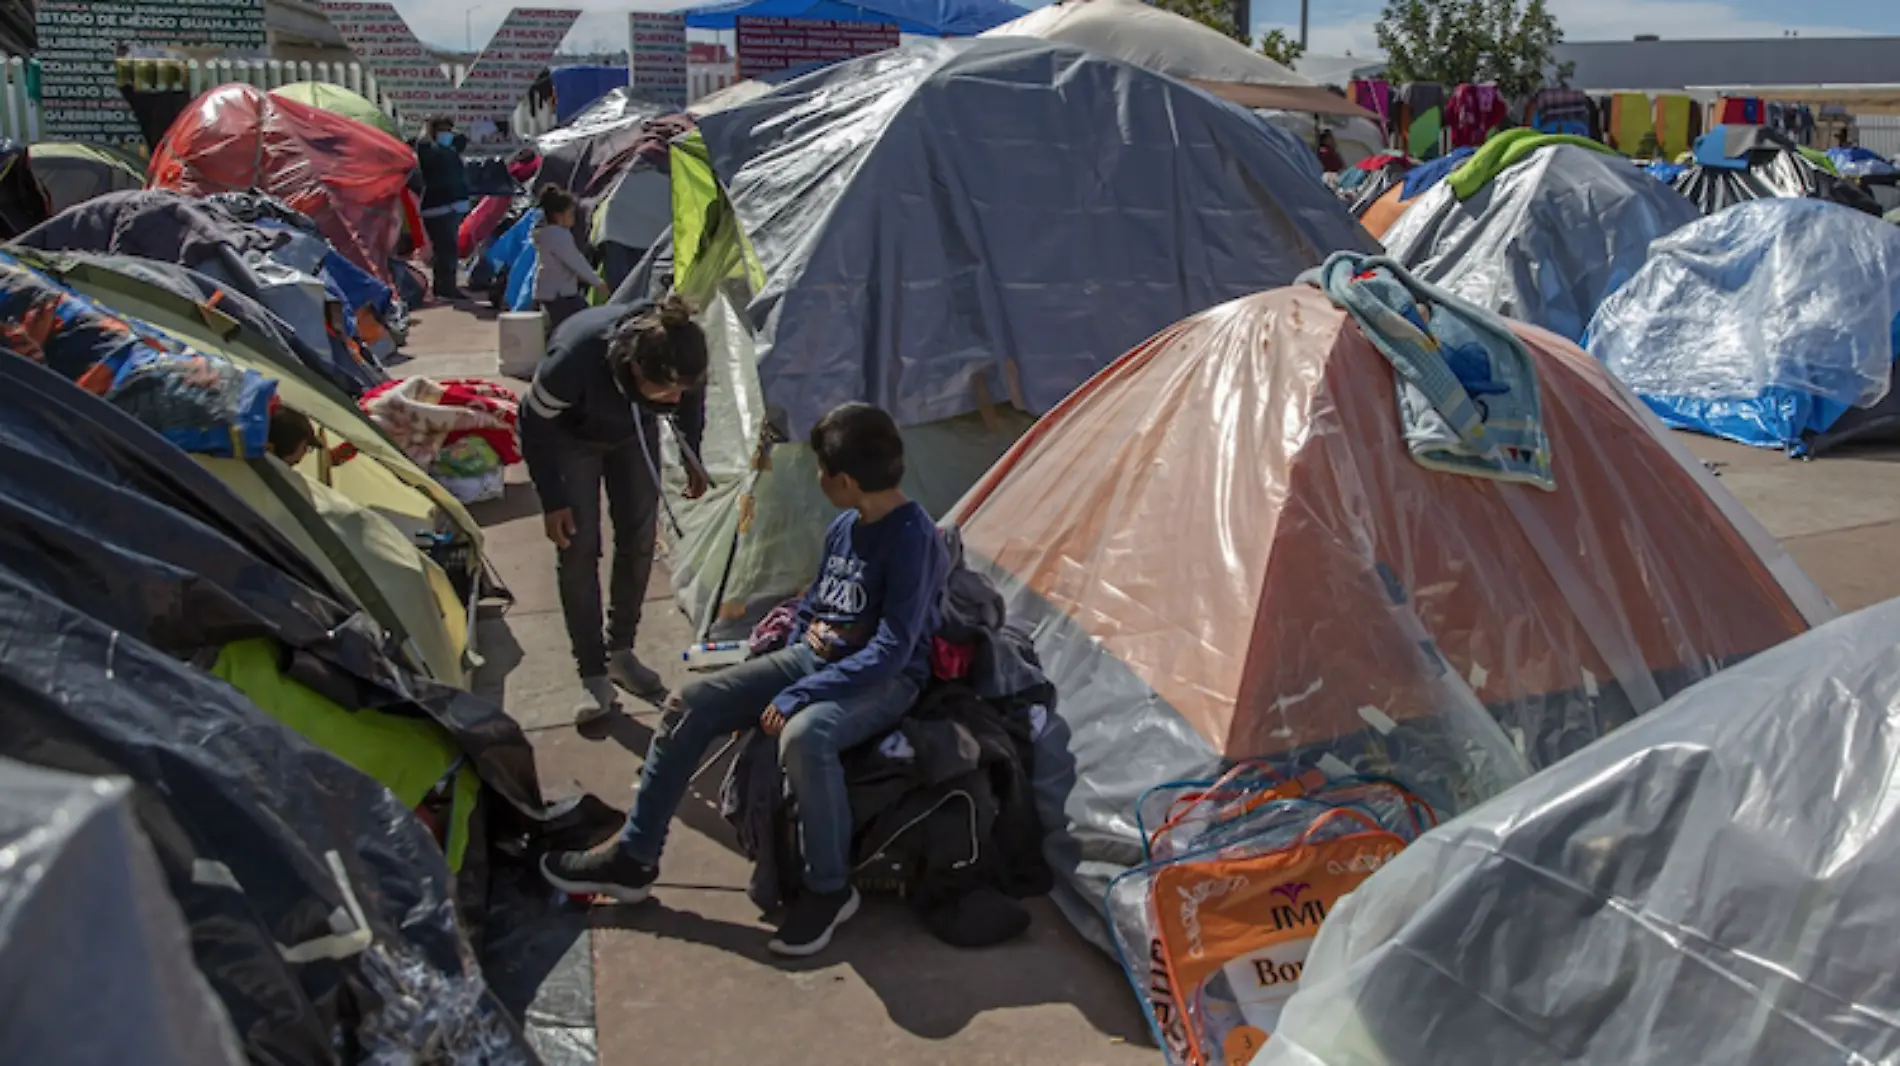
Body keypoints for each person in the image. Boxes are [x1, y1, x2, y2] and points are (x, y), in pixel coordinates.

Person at [539, 402, 950, 958]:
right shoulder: (843, 529)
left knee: (804, 735)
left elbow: (892, 648)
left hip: (882, 679)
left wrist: (800, 692)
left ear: (846, 481)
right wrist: (770, 667)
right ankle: (634, 858)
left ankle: (830, 889)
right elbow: (811, 611)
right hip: (811, 659)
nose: (819, 481)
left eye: (822, 473)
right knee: (689, 704)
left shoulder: (912, 539)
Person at [520, 295, 714, 722]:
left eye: (680, 389)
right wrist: (553, 499)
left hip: (632, 432)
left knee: (640, 539)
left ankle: (621, 651)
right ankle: (592, 673)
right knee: (578, 547)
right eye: (665, 390)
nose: (675, 397)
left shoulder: (682, 354)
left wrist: (690, 453)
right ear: (635, 368)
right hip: (570, 438)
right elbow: (532, 422)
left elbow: (691, 402)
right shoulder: (574, 359)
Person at [532, 185, 609, 333]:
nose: (573, 218)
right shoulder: (559, 236)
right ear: (559, 216)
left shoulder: (546, 234)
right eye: (571, 214)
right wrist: (596, 282)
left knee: (556, 328)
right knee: (584, 320)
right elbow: (575, 261)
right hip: (560, 294)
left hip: (549, 292)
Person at [416, 117, 471, 301]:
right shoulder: (428, 149)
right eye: (442, 130)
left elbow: (462, 139)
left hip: (452, 206)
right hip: (437, 207)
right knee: (446, 250)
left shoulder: (450, 149)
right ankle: (446, 288)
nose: (447, 134)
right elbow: (432, 153)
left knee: (447, 250)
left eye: (449, 130)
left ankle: (444, 287)